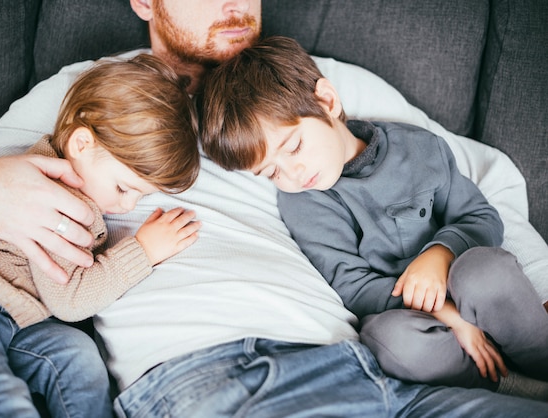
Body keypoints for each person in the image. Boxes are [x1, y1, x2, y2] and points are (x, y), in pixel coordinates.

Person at [0, 0, 548, 416]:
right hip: (220, 376)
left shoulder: (310, 80)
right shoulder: (87, 93)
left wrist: (531, 294)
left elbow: (475, 172)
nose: (235, 4)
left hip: (379, 365)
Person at [200, 35, 548, 401]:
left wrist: (441, 253)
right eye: (270, 172)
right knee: (389, 343)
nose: (293, 174)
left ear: (327, 102)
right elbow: (354, 287)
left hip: (471, 284)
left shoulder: (419, 147)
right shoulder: (303, 203)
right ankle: (510, 386)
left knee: (485, 270)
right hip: (417, 320)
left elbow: (481, 217)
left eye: (294, 147)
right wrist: (450, 316)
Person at [0, 55, 201, 417]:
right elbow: (70, 301)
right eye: (123, 188)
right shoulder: (62, 201)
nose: (127, 205)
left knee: (77, 356)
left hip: (12, 314)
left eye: (140, 197)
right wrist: (143, 252)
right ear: (83, 144)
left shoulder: (72, 177)